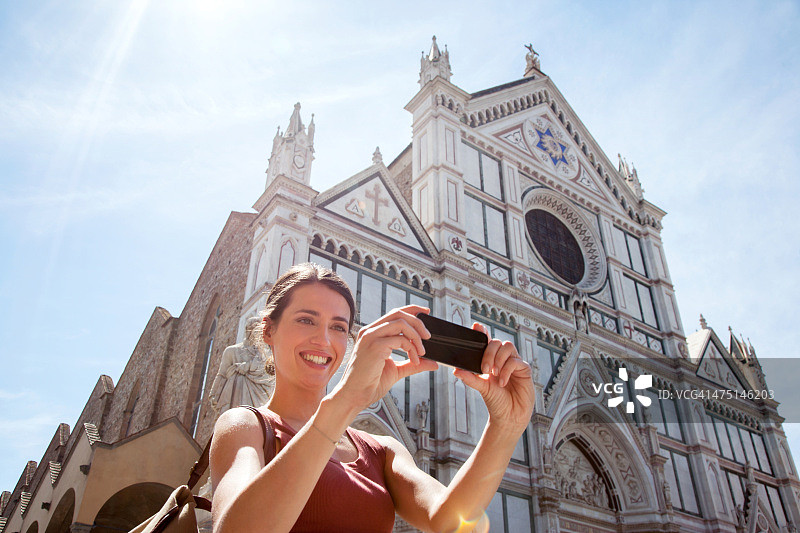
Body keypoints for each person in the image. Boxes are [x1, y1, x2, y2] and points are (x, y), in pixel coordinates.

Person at [209, 263, 534, 533]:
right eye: (306, 320)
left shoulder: (381, 451)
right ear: (268, 331)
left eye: (338, 327)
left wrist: (505, 427)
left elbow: (448, 520)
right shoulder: (245, 427)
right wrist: (348, 399)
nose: (323, 340)